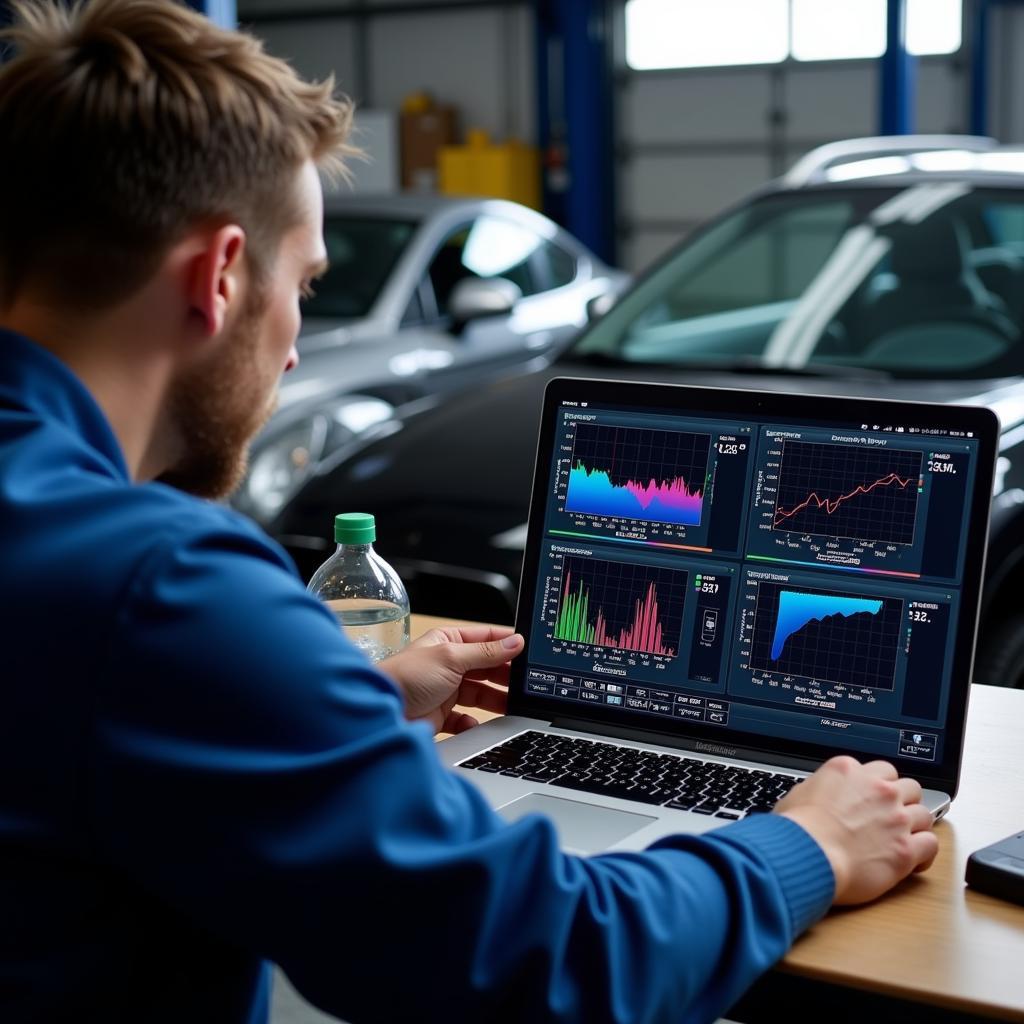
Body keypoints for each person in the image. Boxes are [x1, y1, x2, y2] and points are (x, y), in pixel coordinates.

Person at [0, 2, 938, 1022]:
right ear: (220, 275)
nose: (297, 345)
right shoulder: (162, 586)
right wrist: (806, 844)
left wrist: (340, 701)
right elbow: (546, 958)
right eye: (305, 285)